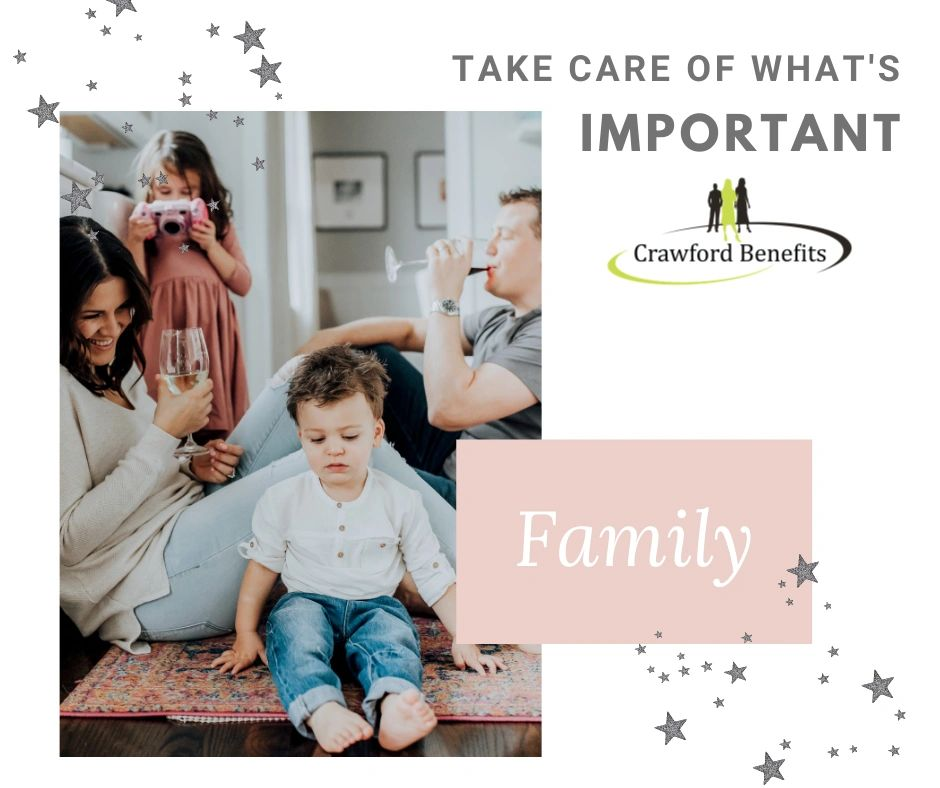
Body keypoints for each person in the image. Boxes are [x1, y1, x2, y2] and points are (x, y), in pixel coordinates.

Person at [60, 217, 456, 654]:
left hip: (187, 513)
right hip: (147, 583)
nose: (113, 329)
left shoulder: (111, 364)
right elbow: (68, 545)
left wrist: (190, 461)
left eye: (123, 310)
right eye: (92, 315)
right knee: (345, 460)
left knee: (301, 375)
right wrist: (163, 434)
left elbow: (135, 463)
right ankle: (503, 586)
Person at [212, 347, 503, 752]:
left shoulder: (401, 501)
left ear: (376, 434)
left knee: (395, 641)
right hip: (306, 602)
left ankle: (393, 703)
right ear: (301, 438)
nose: (334, 449)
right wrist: (245, 632)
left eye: (349, 436)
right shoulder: (282, 499)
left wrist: (463, 635)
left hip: (375, 605)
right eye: (318, 438)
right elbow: (262, 568)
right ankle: (321, 708)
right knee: (292, 636)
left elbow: (433, 572)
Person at [298, 187, 542, 508]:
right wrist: (325, 337)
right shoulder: (498, 318)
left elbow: (448, 409)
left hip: (480, 496)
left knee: (330, 475)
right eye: (491, 235)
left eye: (506, 236)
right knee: (374, 355)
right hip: (454, 455)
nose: (490, 247)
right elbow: (409, 331)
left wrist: (444, 297)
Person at [126, 130, 250, 443]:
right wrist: (136, 241)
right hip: (163, 325)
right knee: (163, 404)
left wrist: (211, 244)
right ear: (150, 191)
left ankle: (211, 453)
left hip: (209, 326)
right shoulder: (146, 229)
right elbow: (137, 288)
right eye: (165, 191)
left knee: (212, 405)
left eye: (188, 191)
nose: (176, 200)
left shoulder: (217, 226)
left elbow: (243, 283)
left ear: (203, 189)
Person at [720, 179, 741, 243]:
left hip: (726, 206)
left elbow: (722, 199)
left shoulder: (723, 191)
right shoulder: (731, 191)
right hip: (729, 207)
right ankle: (736, 235)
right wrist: (735, 205)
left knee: (725, 222)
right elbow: (734, 199)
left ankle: (725, 234)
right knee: (732, 222)